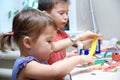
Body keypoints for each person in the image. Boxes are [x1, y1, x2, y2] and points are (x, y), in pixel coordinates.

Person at [0, 8, 94, 80]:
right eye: (49, 41)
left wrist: (67, 59)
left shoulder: (38, 61)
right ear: (28, 43)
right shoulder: (27, 66)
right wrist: (78, 59)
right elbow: (54, 71)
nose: (53, 45)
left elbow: (54, 66)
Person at [38, 0, 103, 64]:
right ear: (46, 15)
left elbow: (81, 45)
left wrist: (94, 41)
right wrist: (80, 36)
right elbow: (53, 47)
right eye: (61, 13)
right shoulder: (40, 35)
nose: (66, 17)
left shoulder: (63, 34)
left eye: (67, 13)